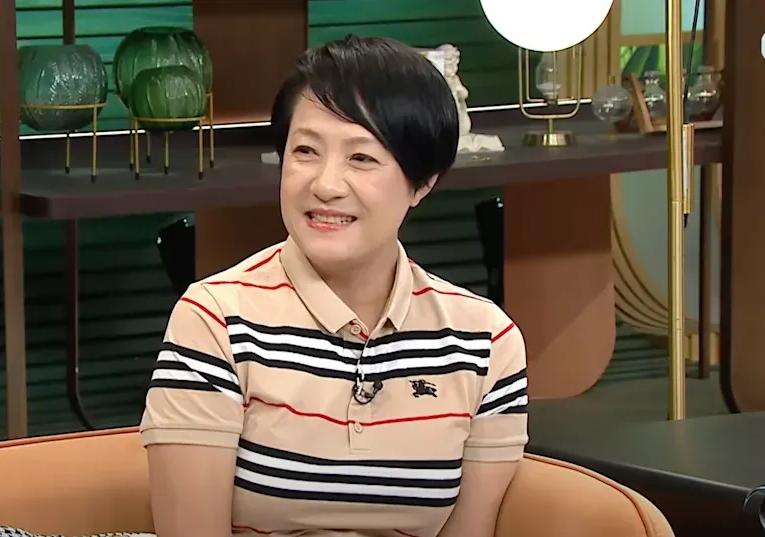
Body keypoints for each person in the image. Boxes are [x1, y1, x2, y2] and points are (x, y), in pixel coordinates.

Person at [140, 35, 529, 537]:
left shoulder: (486, 342)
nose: (325, 185)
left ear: (423, 181)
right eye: (305, 151)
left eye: (361, 158)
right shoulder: (214, 320)